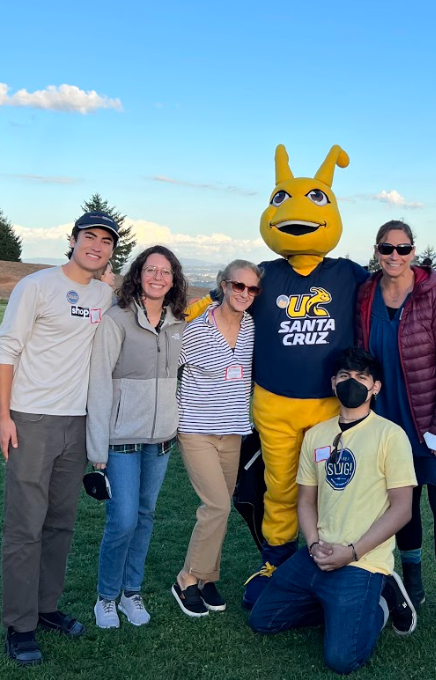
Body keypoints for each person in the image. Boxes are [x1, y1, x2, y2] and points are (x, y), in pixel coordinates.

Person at [356, 220, 436, 650]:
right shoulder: (366, 294)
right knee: (404, 506)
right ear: (376, 250)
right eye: (386, 248)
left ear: (414, 251)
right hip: (393, 426)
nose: (394, 255)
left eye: (403, 248)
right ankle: (412, 583)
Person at [0, 212, 118, 666]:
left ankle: (46, 608)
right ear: (73, 240)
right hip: (31, 419)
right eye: (90, 237)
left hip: (77, 423)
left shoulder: (104, 293)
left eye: (106, 241)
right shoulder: (37, 285)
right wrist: (4, 416)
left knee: (61, 523)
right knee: (25, 525)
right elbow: (6, 347)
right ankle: (20, 624)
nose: (97, 245)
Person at [249, 347, 418, 675]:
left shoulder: (390, 435)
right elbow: (306, 501)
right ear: (332, 383)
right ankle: (337, 605)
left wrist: (352, 552)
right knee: (262, 619)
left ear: (375, 387)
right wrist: (312, 544)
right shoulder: (317, 435)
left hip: (362, 560)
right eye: (344, 377)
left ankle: (382, 602)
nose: (351, 383)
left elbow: (402, 510)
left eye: (360, 377)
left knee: (342, 659)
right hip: (317, 553)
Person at [87, 246, 188, 629]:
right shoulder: (117, 319)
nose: (158, 277)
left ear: (174, 278)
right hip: (119, 439)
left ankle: (132, 592)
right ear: (139, 275)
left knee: (145, 517)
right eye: (151, 270)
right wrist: (96, 446)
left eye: (166, 271)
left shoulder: (178, 322)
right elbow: (98, 382)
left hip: (160, 439)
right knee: (123, 519)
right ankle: (106, 597)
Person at [172, 260, 262, 617]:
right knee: (218, 506)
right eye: (238, 286)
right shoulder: (195, 328)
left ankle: (207, 577)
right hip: (195, 430)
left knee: (219, 510)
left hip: (234, 431)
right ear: (224, 286)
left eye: (252, 289)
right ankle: (186, 579)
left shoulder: (253, 327)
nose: (244, 294)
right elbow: (165, 367)